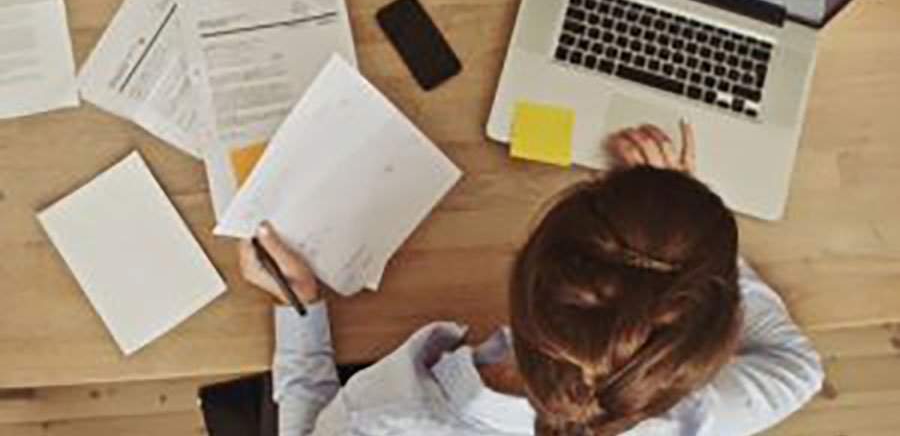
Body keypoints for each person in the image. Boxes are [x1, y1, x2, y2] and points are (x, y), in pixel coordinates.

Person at [239, 123, 824, 436]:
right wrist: (695, 253)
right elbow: (798, 370)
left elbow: (309, 427)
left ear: (525, 265)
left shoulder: (386, 419)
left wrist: (302, 306)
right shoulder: (685, 419)